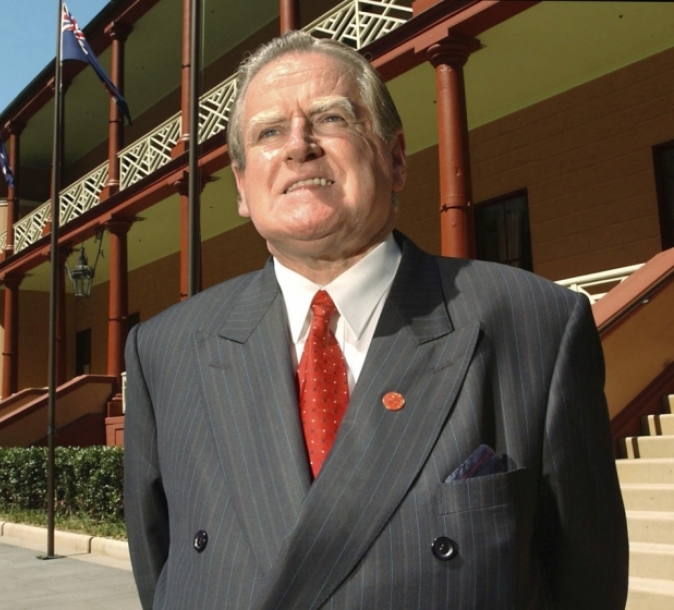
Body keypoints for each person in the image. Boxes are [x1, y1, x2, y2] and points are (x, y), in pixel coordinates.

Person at [124, 31, 629, 609]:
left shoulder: (533, 324)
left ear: (394, 159)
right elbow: (159, 570)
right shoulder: (164, 349)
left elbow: (586, 579)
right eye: (268, 132)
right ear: (241, 187)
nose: (298, 147)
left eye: (331, 118)